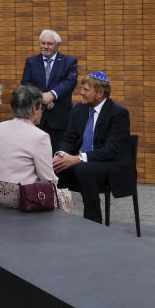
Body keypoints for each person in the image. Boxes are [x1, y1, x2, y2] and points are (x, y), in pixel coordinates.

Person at [52, 71, 131, 223]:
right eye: (82, 88)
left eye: (86, 90)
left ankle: (93, 222)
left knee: (84, 169)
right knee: (53, 166)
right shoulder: (78, 109)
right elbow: (69, 137)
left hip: (109, 165)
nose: (81, 92)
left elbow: (111, 150)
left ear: (100, 93)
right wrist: (61, 154)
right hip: (82, 162)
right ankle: (53, 217)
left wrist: (78, 158)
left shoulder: (118, 113)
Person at [0, 85, 71, 210]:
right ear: (34, 109)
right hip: (20, 195)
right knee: (65, 196)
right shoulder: (41, 136)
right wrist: (57, 184)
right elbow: (47, 179)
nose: (42, 111)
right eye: (41, 107)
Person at [20, 29, 77, 152]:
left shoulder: (69, 61)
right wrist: (42, 98)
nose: (45, 47)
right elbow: (25, 84)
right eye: (43, 43)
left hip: (60, 119)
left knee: (57, 155)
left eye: (49, 44)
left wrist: (52, 94)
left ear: (57, 45)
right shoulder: (31, 62)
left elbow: (70, 82)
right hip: (35, 118)